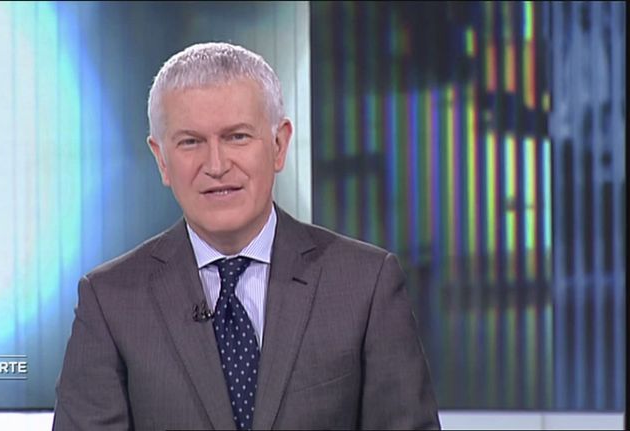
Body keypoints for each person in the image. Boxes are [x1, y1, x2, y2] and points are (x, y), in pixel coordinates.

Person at [53, 42, 440, 430]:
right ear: (161, 159)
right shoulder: (110, 302)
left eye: (237, 137)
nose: (216, 165)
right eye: (190, 142)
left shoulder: (365, 285)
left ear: (279, 144)